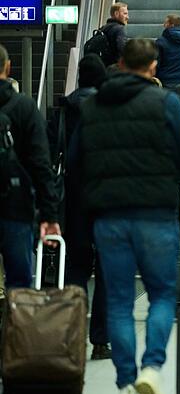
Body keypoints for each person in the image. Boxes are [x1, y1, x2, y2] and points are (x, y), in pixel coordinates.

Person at [67, 39, 180, 394]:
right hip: (156, 215)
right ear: (154, 67)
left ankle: (126, 379)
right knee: (161, 293)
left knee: (117, 299)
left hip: (109, 218)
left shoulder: (94, 106)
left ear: (122, 63)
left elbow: (74, 164)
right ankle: (151, 367)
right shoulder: (166, 103)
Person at [62, 54, 112, 360]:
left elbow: (61, 152)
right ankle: (100, 341)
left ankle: (73, 335)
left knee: (76, 267)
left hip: (75, 195)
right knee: (106, 268)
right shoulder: (105, 106)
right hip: (105, 197)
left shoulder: (66, 106)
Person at [0, 43, 61, 293]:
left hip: (17, 207)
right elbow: (40, 163)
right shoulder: (24, 108)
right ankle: (15, 330)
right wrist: (50, 214)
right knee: (19, 285)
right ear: (8, 67)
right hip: (16, 206)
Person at [100, 2, 129, 67]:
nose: (127, 17)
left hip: (104, 67)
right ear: (116, 14)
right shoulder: (119, 29)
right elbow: (123, 49)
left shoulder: (103, 28)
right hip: (115, 68)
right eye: (125, 14)